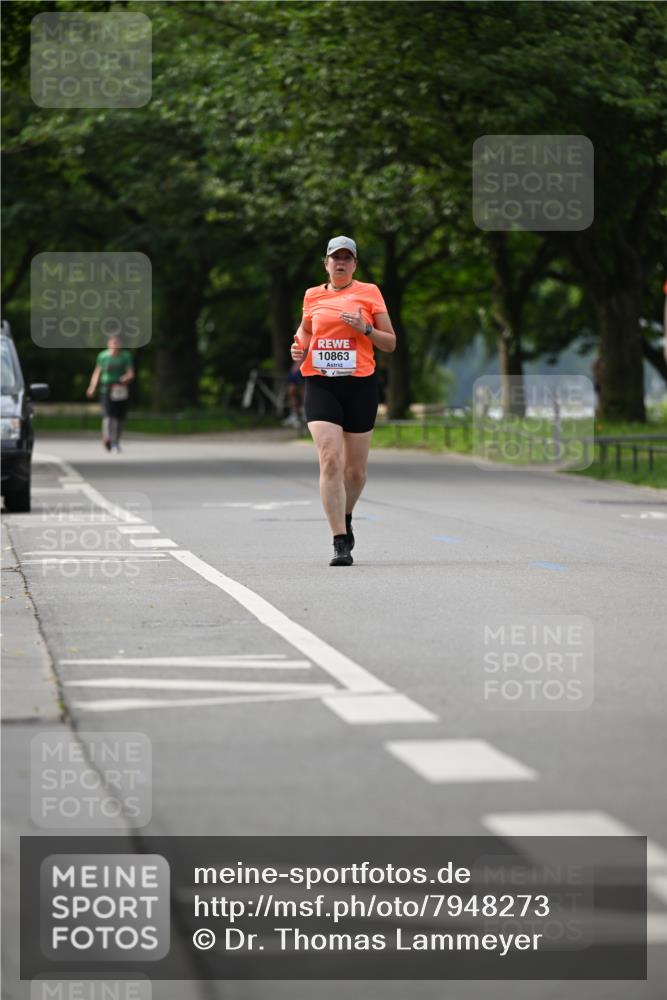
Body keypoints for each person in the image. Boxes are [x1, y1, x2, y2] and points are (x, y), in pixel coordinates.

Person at [291, 235, 396, 566]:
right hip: (321, 382)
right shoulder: (312, 296)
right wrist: (299, 346)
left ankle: (346, 514)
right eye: (335, 257)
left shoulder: (370, 293)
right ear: (326, 263)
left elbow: (390, 343)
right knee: (330, 459)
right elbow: (306, 331)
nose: (341, 262)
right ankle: (339, 540)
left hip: (360, 384)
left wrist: (365, 328)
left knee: (355, 472)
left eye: (347, 258)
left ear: (354, 264)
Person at [86, 332, 135, 452]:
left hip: (120, 389)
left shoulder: (125, 356)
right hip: (106, 389)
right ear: (109, 344)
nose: (115, 345)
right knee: (108, 415)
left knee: (119, 417)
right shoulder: (103, 356)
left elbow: (131, 373)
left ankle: (116, 441)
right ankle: (107, 438)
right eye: (113, 343)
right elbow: (97, 372)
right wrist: (92, 387)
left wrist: (126, 378)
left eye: (117, 343)